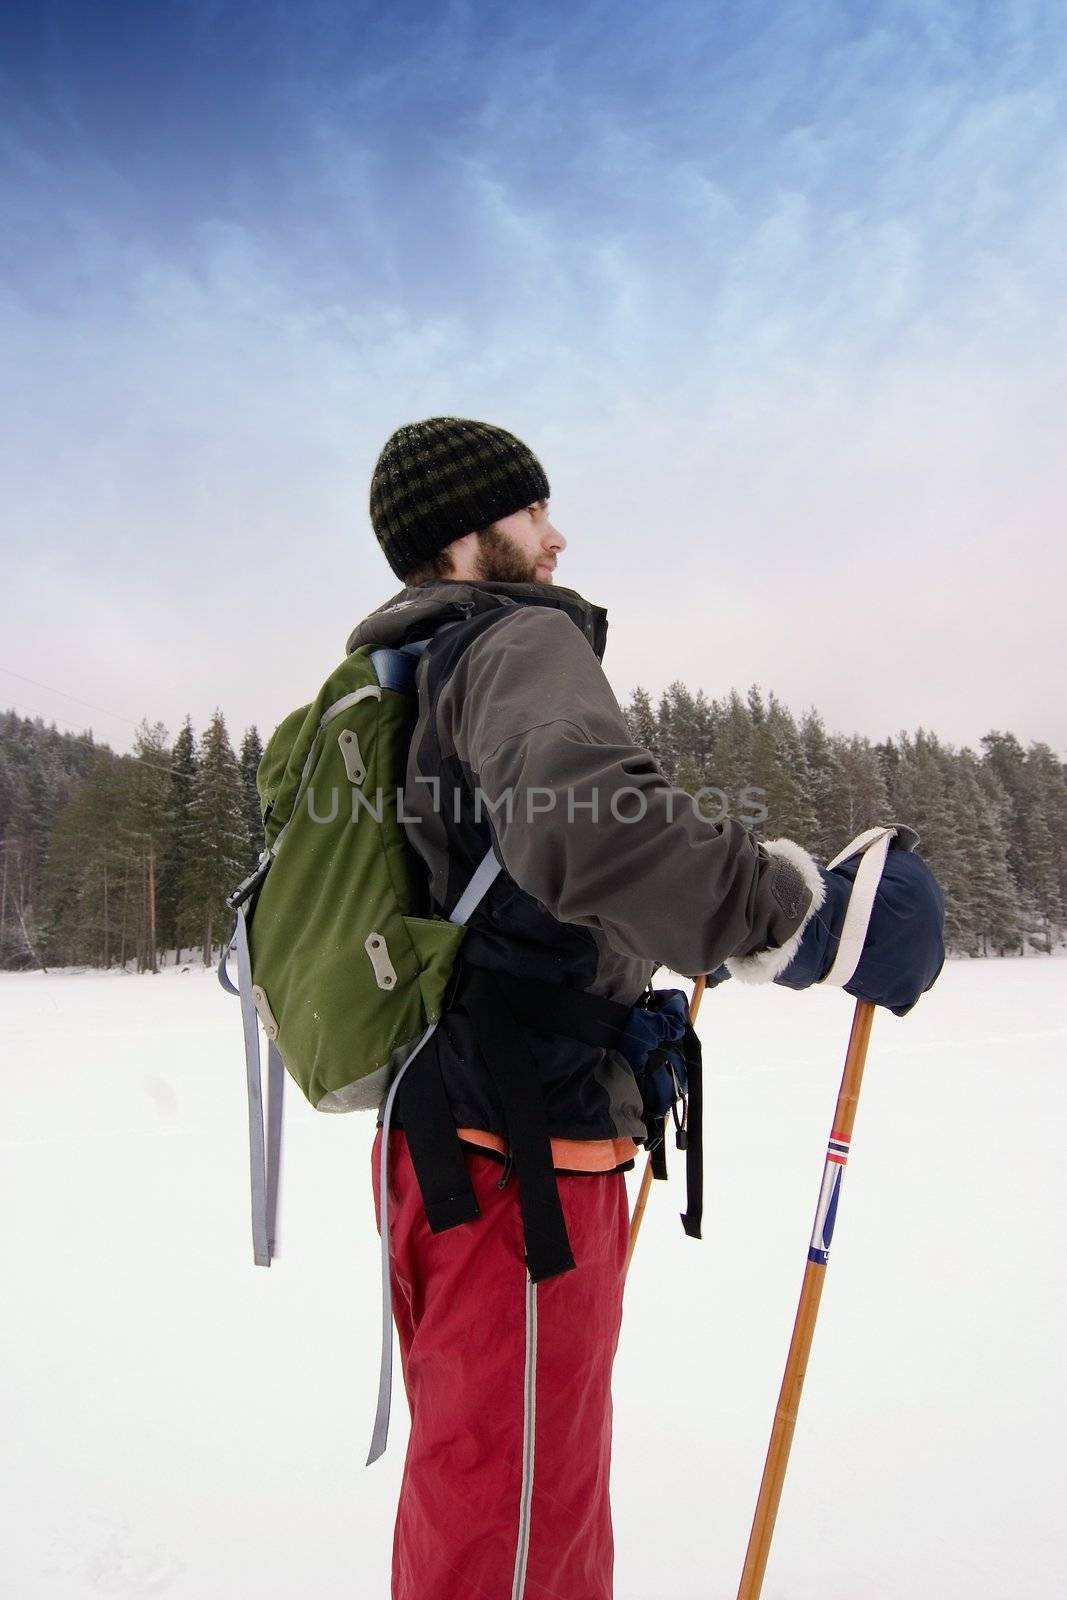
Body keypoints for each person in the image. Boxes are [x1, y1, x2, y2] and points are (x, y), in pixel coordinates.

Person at [351, 416, 945, 1600]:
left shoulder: (432, 672)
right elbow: (579, 825)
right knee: (518, 1538)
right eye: (530, 513)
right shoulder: (513, 641)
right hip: (511, 1163)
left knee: (497, 1504)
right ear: (464, 538)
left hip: (465, 1144)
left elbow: (507, 900)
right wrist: (794, 916)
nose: (555, 535)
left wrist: (618, 1013)